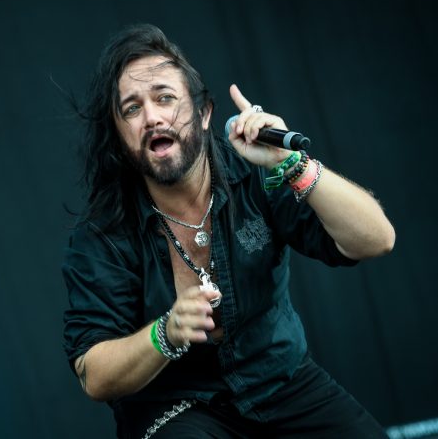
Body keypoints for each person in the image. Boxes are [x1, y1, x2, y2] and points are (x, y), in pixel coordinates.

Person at [61, 24, 395, 438]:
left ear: (204, 114)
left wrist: (292, 163)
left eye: (165, 98)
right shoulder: (103, 234)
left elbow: (377, 239)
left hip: (280, 383)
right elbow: (93, 374)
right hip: (178, 409)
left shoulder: (257, 174)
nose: (152, 117)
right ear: (120, 137)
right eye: (131, 109)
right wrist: (165, 334)